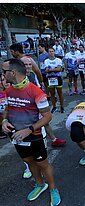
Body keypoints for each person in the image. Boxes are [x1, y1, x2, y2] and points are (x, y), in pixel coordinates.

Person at [1, 58, 61, 205]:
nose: (2, 75)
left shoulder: (36, 91)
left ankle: (53, 188)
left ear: (13, 73)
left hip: (34, 136)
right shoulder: (8, 90)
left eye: (4, 72)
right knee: (29, 161)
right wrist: (4, 121)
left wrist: (29, 130)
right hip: (16, 136)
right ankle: (40, 184)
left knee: (42, 163)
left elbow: (48, 116)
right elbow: (7, 109)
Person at [44, 47, 65, 113]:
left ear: (54, 52)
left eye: (52, 51)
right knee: (52, 94)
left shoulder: (58, 60)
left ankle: (62, 107)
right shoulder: (46, 61)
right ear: (48, 53)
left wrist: (51, 69)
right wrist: (55, 69)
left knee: (60, 93)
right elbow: (46, 70)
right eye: (50, 51)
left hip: (57, 78)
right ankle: (54, 106)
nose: (51, 53)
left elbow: (59, 69)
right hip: (50, 78)